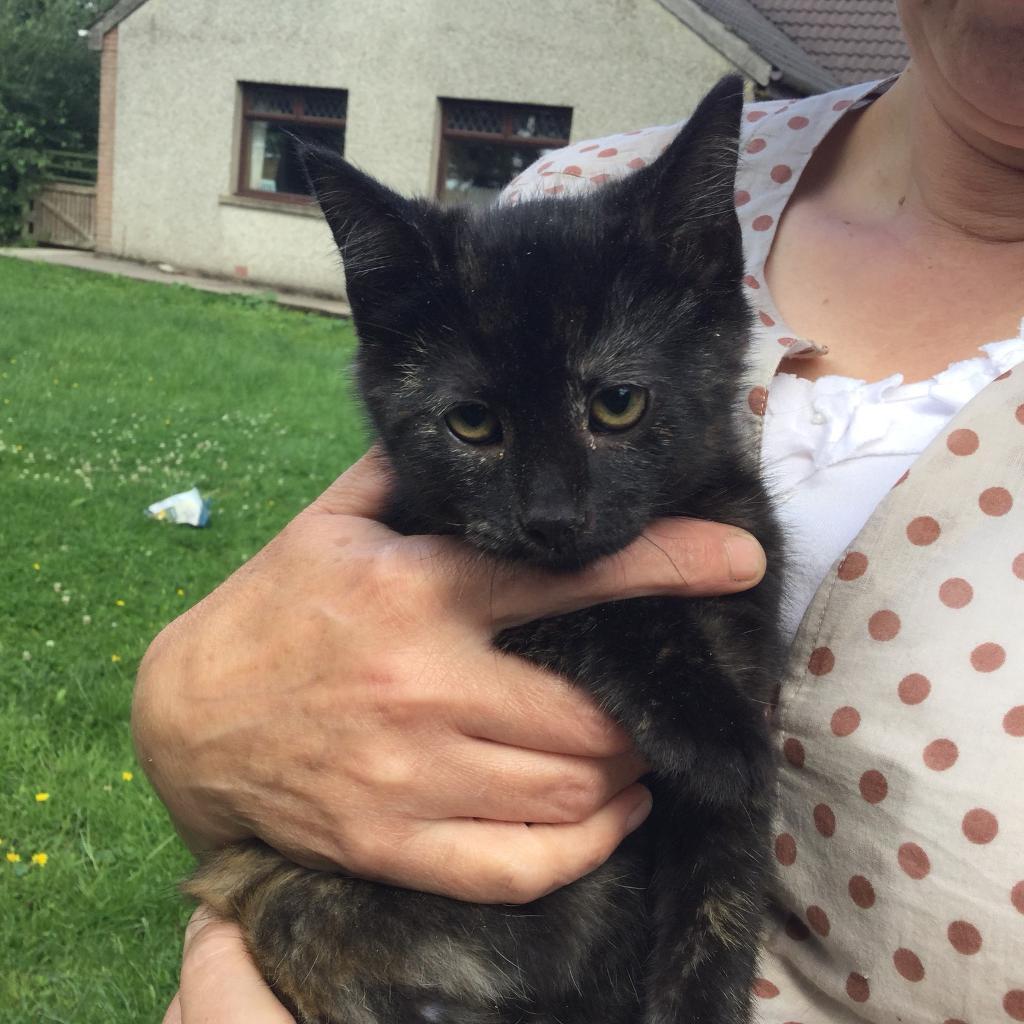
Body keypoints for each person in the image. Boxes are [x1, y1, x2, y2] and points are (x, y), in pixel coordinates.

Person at [143, 1, 1024, 1020]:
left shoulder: (700, 446)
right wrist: (181, 720)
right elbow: (296, 715)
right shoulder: (558, 196)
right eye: (477, 426)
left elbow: (717, 821)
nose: (552, 511)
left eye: (615, 407)